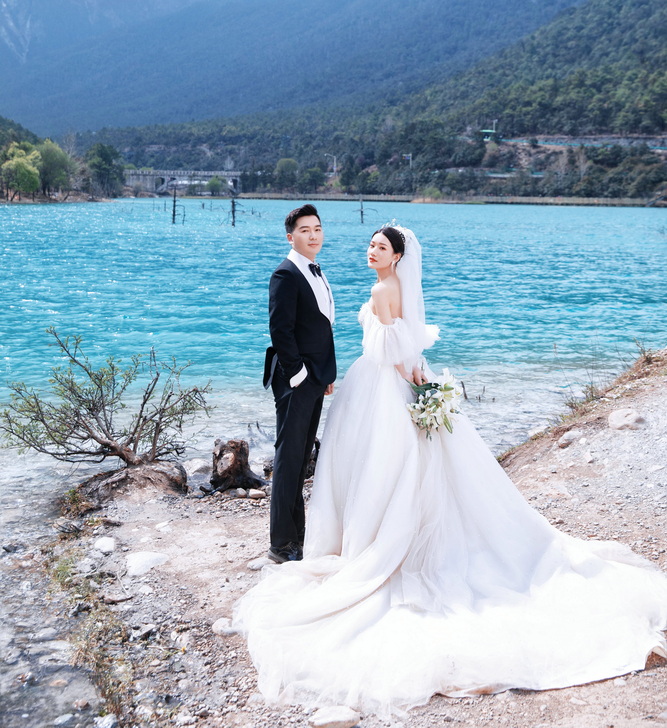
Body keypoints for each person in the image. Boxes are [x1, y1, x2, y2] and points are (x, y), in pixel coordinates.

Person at [237, 225, 667, 715]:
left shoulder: (380, 290)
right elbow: (407, 343)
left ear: (397, 256)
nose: (371, 251)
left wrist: (410, 377)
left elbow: (390, 351)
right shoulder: (395, 287)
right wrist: (420, 378)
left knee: (377, 468)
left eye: (381, 247)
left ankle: (360, 541)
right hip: (393, 381)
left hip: (378, 386)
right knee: (399, 468)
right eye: (371, 244)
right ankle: (352, 536)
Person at [262, 204, 336, 564]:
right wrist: (300, 375)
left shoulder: (315, 271)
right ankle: (281, 545)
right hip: (296, 379)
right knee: (289, 459)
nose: (313, 235)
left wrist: (324, 376)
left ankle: (297, 537)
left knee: (301, 456)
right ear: (291, 237)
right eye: (305, 230)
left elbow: (320, 326)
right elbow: (280, 330)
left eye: (317, 229)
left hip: (314, 378)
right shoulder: (285, 273)